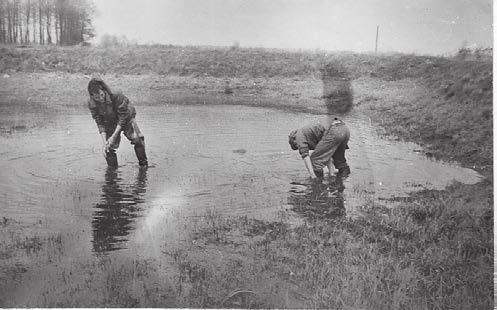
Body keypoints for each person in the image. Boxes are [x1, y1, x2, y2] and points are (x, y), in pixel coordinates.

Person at [87, 78, 148, 167]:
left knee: (137, 139)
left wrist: (114, 135)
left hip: (126, 116)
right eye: (97, 97)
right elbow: (100, 122)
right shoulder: (92, 103)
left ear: (104, 91)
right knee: (108, 148)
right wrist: (105, 143)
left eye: (101, 95)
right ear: (92, 96)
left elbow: (123, 118)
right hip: (110, 121)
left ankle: (143, 166)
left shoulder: (116, 95)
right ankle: (112, 173)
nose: (100, 99)